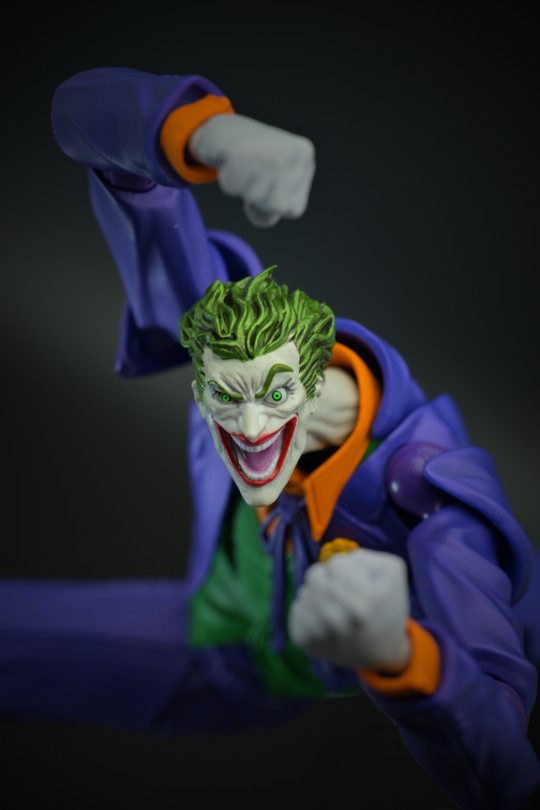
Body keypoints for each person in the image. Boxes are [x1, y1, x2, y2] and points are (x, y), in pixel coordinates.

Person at [1, 67, 539, 809]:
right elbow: (81, 121)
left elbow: (507, 765)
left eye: (277, 396)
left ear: (314, 380)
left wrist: (399, 654)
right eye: (226, 397)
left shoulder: (431, 504)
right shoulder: (219, 339)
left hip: (242, 670)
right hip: (203, 606)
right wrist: (200, 130)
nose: (250, 427)